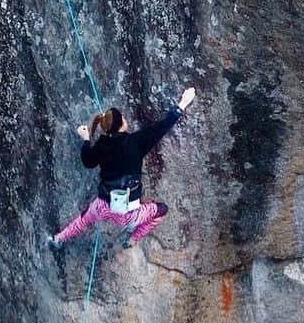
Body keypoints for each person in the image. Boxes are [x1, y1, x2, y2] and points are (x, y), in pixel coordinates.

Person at [50, 87, 196, 249]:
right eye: (124, 118)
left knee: (83, 220)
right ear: (121, 125)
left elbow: (88, 161)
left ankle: (58, 239)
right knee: (161, 210)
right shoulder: (135, 142)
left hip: (103, 206)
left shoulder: (101, 145)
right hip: (128, 214)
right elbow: (161, 127)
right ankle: (133, 239)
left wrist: (85, 140)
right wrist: (183, 102)